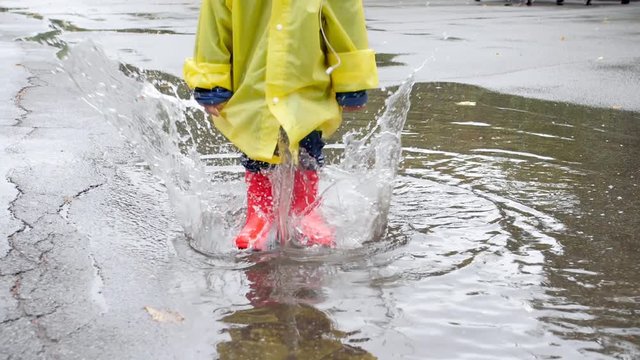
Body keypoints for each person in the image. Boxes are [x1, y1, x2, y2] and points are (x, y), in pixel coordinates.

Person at [183, 0, 379, 251]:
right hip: (254, 81)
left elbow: (345, 16)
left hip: (307, 80)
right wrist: (211, 81)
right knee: (257, 143)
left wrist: (351, 80)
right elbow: (214, 22)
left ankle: (305, 208)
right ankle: (259, 211)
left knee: (308, 140)